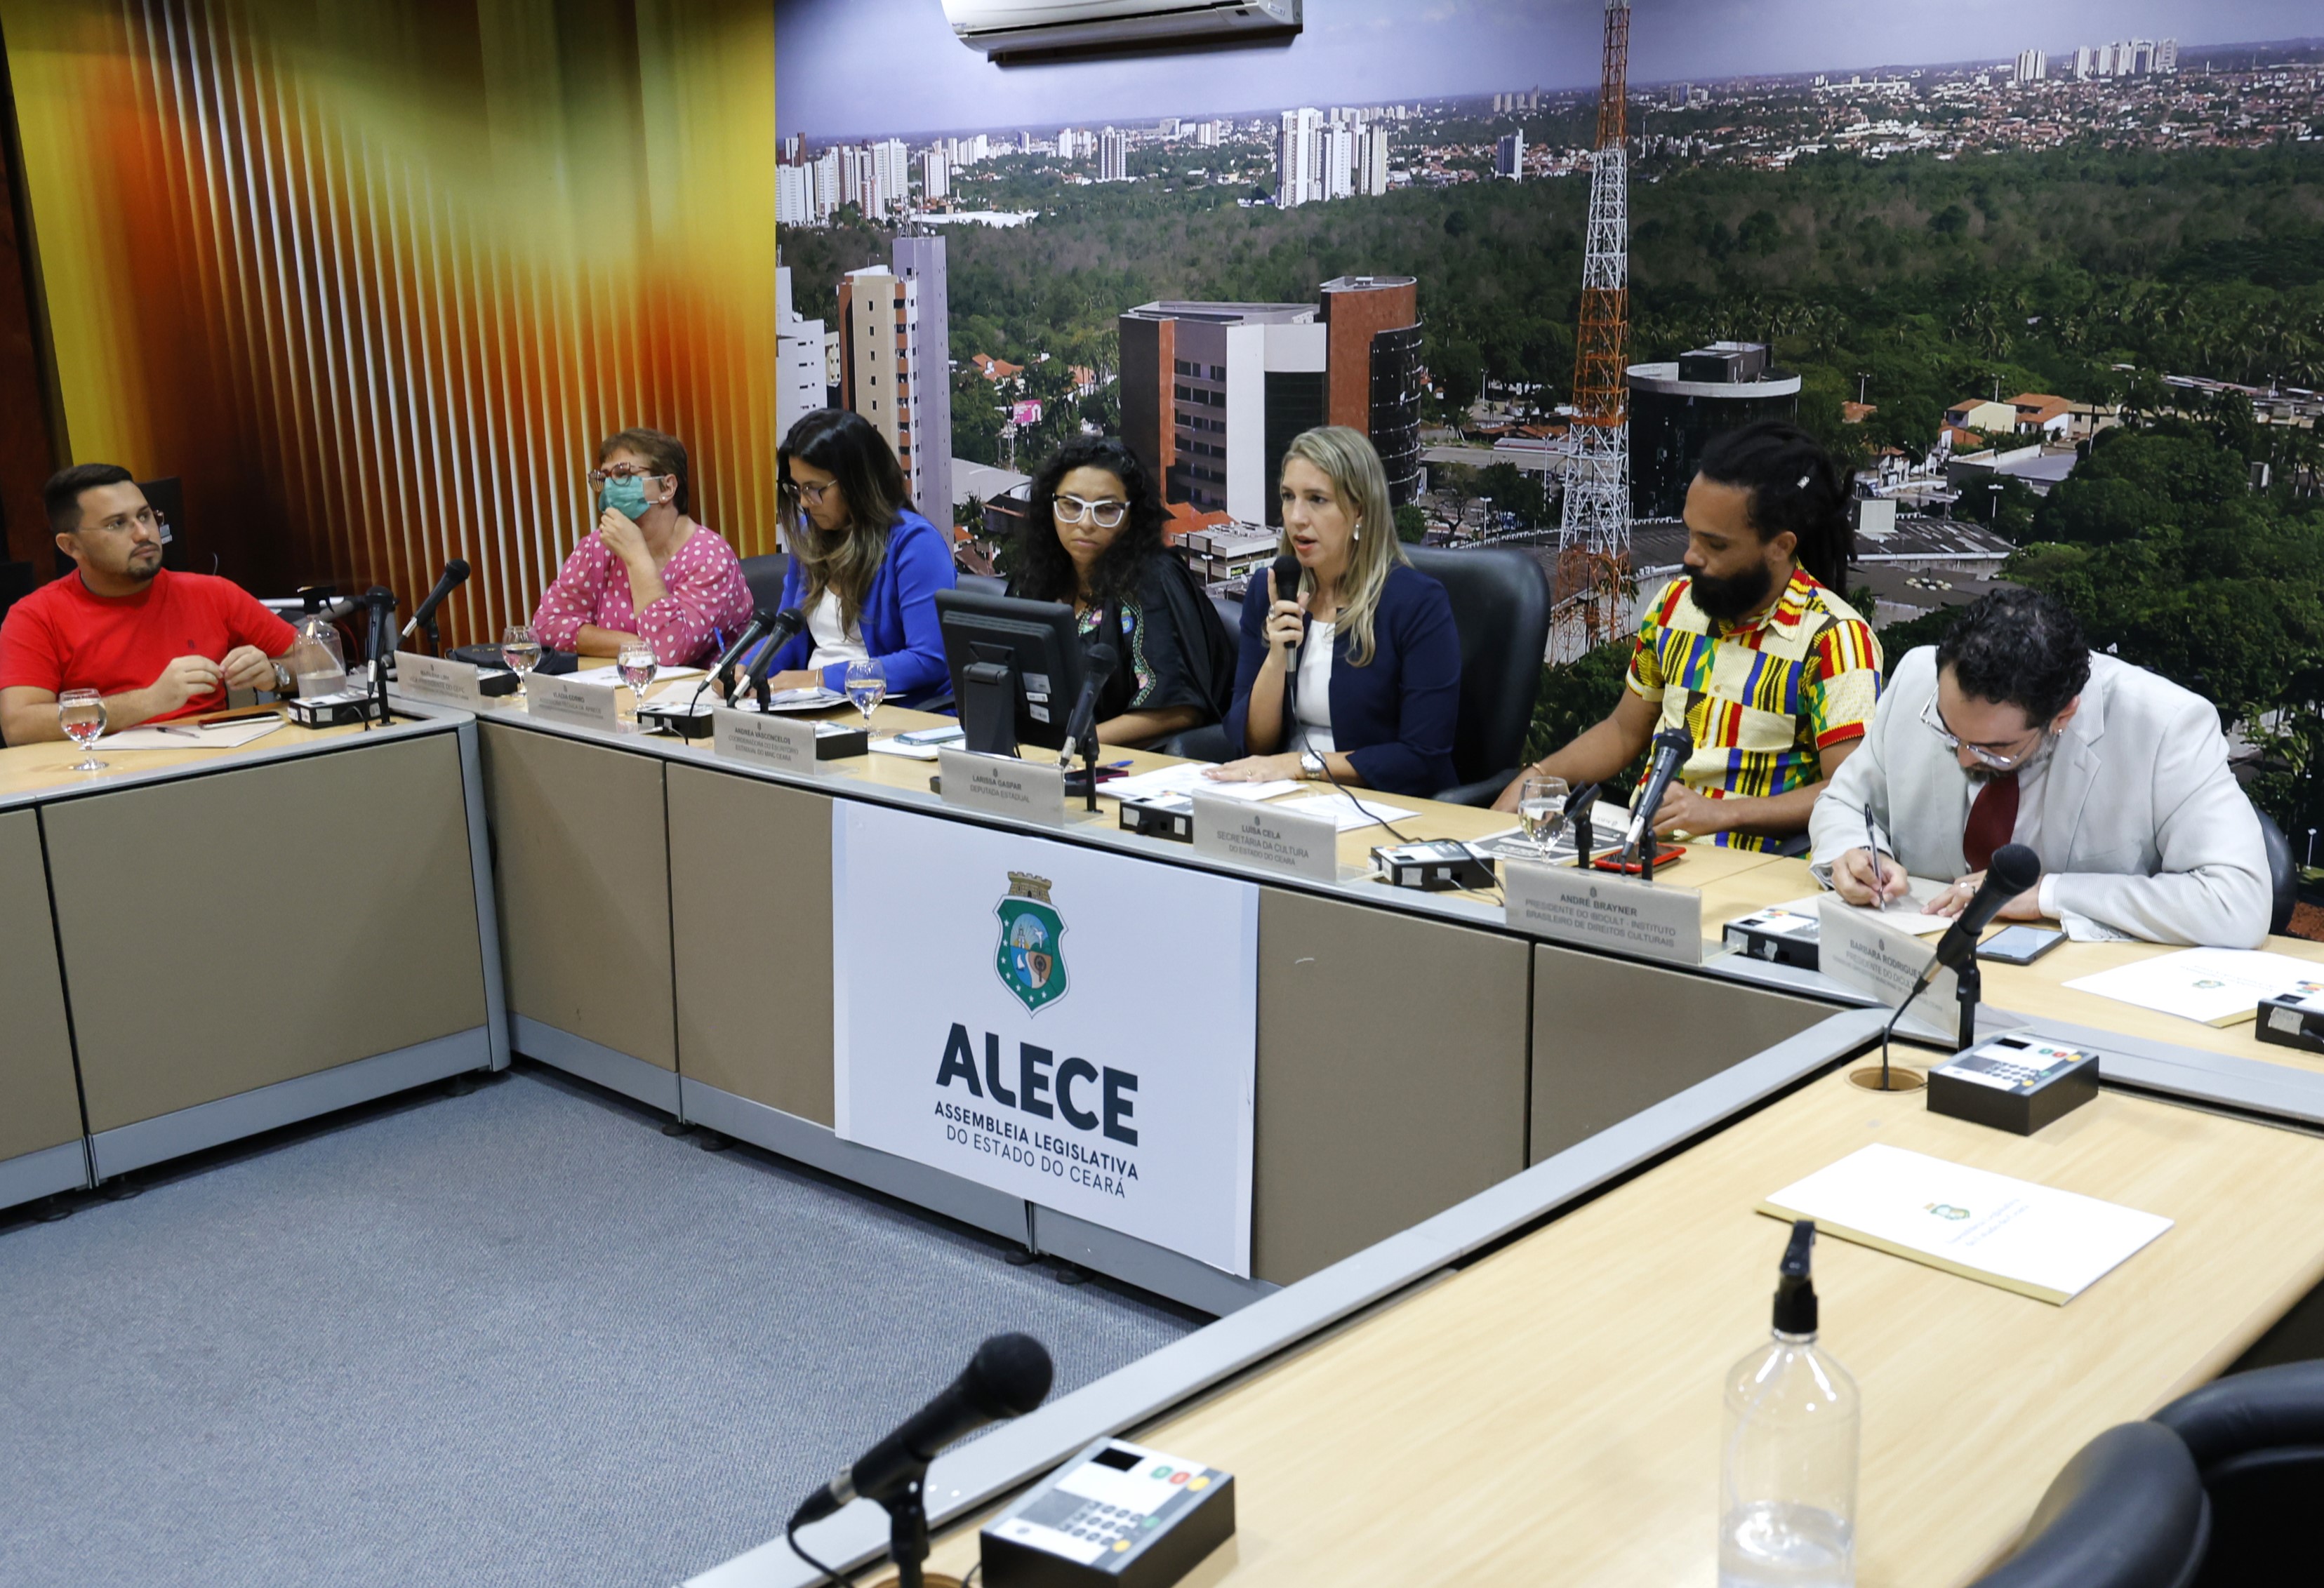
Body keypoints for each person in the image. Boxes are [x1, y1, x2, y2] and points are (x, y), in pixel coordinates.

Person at [1812, 587, 2272, 948]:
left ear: (2063, 714)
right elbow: (1842, 803)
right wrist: (1857, 853)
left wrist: (2048, 895)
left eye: (1995, 748)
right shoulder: (1916, 678)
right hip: (1913, 956)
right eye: (1949, 732)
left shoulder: (2166, 727)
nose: (1965, 758)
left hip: (2073, 992)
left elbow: (2237, 900)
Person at [1495, 420, 1881, 849]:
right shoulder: (1674, 603)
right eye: (1691, 533)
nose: (1690, 556)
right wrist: (1538, 777)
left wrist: (1723, 814)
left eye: (1715, 545)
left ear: (1780, 546)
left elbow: (1848, 792)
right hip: (1647, 848)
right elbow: (1623, 731)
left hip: (1751, 868)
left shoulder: (1835, 639)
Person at [1209, 426, 1460, 797]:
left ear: (1359, 510)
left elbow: (1423, 757)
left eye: (1317, 499)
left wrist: (1302, 765)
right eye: (1288, 497)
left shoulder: (1417, 604)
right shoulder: (1271, 589)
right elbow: (1253, 743)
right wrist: (1277, 655)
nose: (1297, 517)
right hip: (1282, 795)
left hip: (1383, 802)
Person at [0, 465, 299, 745]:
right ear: (71, 546)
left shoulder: (212, 593)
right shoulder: (36, 616)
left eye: (145, 516)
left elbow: (317, 660)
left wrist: (276, 673)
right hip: (110, 775)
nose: (143, 534)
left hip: (214, 761)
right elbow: (19, 725)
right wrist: (149, 701)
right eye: (117, 524)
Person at [1006, 437, 1235, 747]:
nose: (1085, 523)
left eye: (1106, 510)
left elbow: (1179, 710)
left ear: (1130, 517)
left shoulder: (1153, 580)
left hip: (1132, 762)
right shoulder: (1035, 577)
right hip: (1039, 754)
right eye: (1071, 505)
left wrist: (1073, 745)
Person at [748, 408, 955, 705]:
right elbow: (786, 636)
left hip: (893, 710)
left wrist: (820, 679)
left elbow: (927, 659)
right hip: (812, 704)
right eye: (797, 489)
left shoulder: (916, 543)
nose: (805, 502)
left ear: (856, 483)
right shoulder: (809, 535)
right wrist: (747, 669)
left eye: (814, 489)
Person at [530, 427, 751, 666]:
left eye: (623, 474)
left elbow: (668, 651)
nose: (610, 487)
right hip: (617, 683)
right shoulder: (598, 547)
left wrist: (637, 557)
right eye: (605, 477)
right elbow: (546, 624)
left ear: (667, 487)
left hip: (701, 687)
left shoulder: (710, 556)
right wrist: (635, 645)